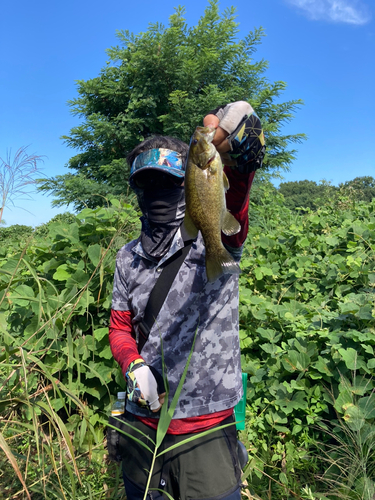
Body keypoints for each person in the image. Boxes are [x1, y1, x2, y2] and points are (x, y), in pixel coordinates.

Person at [109, 101, 265, 500]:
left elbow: (234, 208)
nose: (156, 194)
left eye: (168, 183)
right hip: (145, 427)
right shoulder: (127, 258)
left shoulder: (211, 240)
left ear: (188, 182)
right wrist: (134, 364)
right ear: (136, 191)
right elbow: (120, 327)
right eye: (147, 185)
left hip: (207, 427)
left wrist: (242, 165)